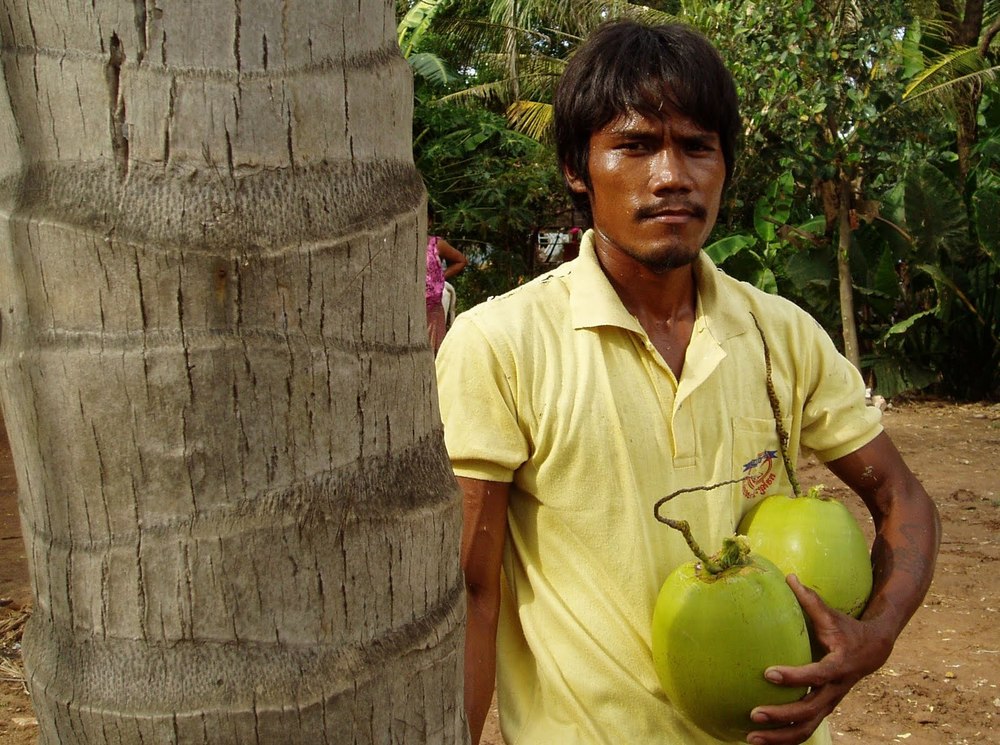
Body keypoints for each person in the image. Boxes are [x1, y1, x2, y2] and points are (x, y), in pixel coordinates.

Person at [436, 19, 940, 745]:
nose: (672, 175)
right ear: (579, 168)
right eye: (635, 146)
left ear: (725, 165)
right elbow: (474, 594)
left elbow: (903, 497)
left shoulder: (779, 333)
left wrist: (878, 633)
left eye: (698, 147)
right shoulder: (501, 344)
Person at [426, 217, 467, 353]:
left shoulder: (436, 244)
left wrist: (439, 277)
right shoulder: (401, 243)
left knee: (433, 352)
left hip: (431, 307)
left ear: (430, 221)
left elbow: (461, 261)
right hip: (406, 307)